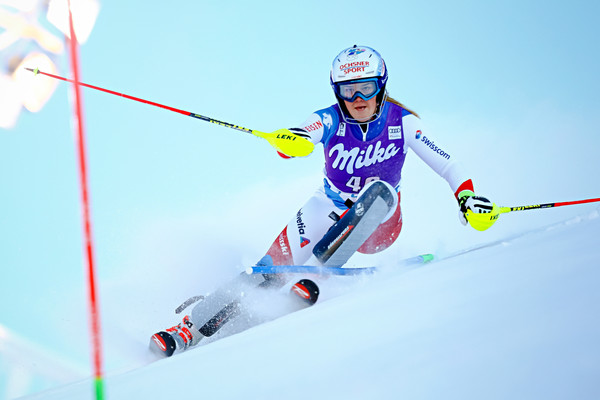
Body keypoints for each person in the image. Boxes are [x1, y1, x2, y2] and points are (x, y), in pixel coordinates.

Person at [150, 45, 499, 357]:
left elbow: (449, 164)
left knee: (378, 193)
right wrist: (291, 141)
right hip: (328, 206)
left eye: (367, 87)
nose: (358, 97)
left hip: (381, 219)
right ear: (338, 92)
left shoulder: (403, 123)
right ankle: (189, 330)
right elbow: (301, 136)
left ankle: (320, 276)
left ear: (382, 87)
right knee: (267, 269)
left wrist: (466, 198)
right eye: (349, 90)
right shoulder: (329, 118)